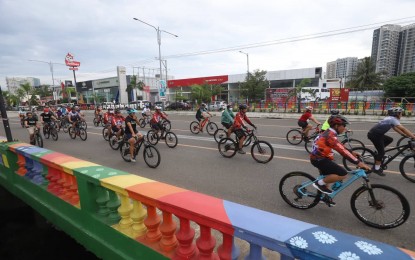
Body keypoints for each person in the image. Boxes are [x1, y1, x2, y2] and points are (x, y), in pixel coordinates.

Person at [310, 115, 370, 195]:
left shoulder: (329, 132)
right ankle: (319, 183)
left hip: (319, 158)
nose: (345, 128)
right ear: (336, 126)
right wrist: (359, 163)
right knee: (342, 174)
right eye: (344, 126)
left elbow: (339, 145)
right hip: (320, 159)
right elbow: (342, 151)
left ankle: (323, 197)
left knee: (327, 177)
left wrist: (351, 152)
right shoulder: (330, 135)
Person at [367, 107, 415, 176]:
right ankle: (376, 168)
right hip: (375, 135)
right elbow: (403, 128)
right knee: (382, 152)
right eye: (400, 113)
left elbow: (394, 127)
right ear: (396, 114)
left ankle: (379, 152)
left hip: (376, 134)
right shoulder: (393, 119)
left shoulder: (389, 118)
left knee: (390, 139)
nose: (401, 114)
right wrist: (413, 137)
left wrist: (403, 134)